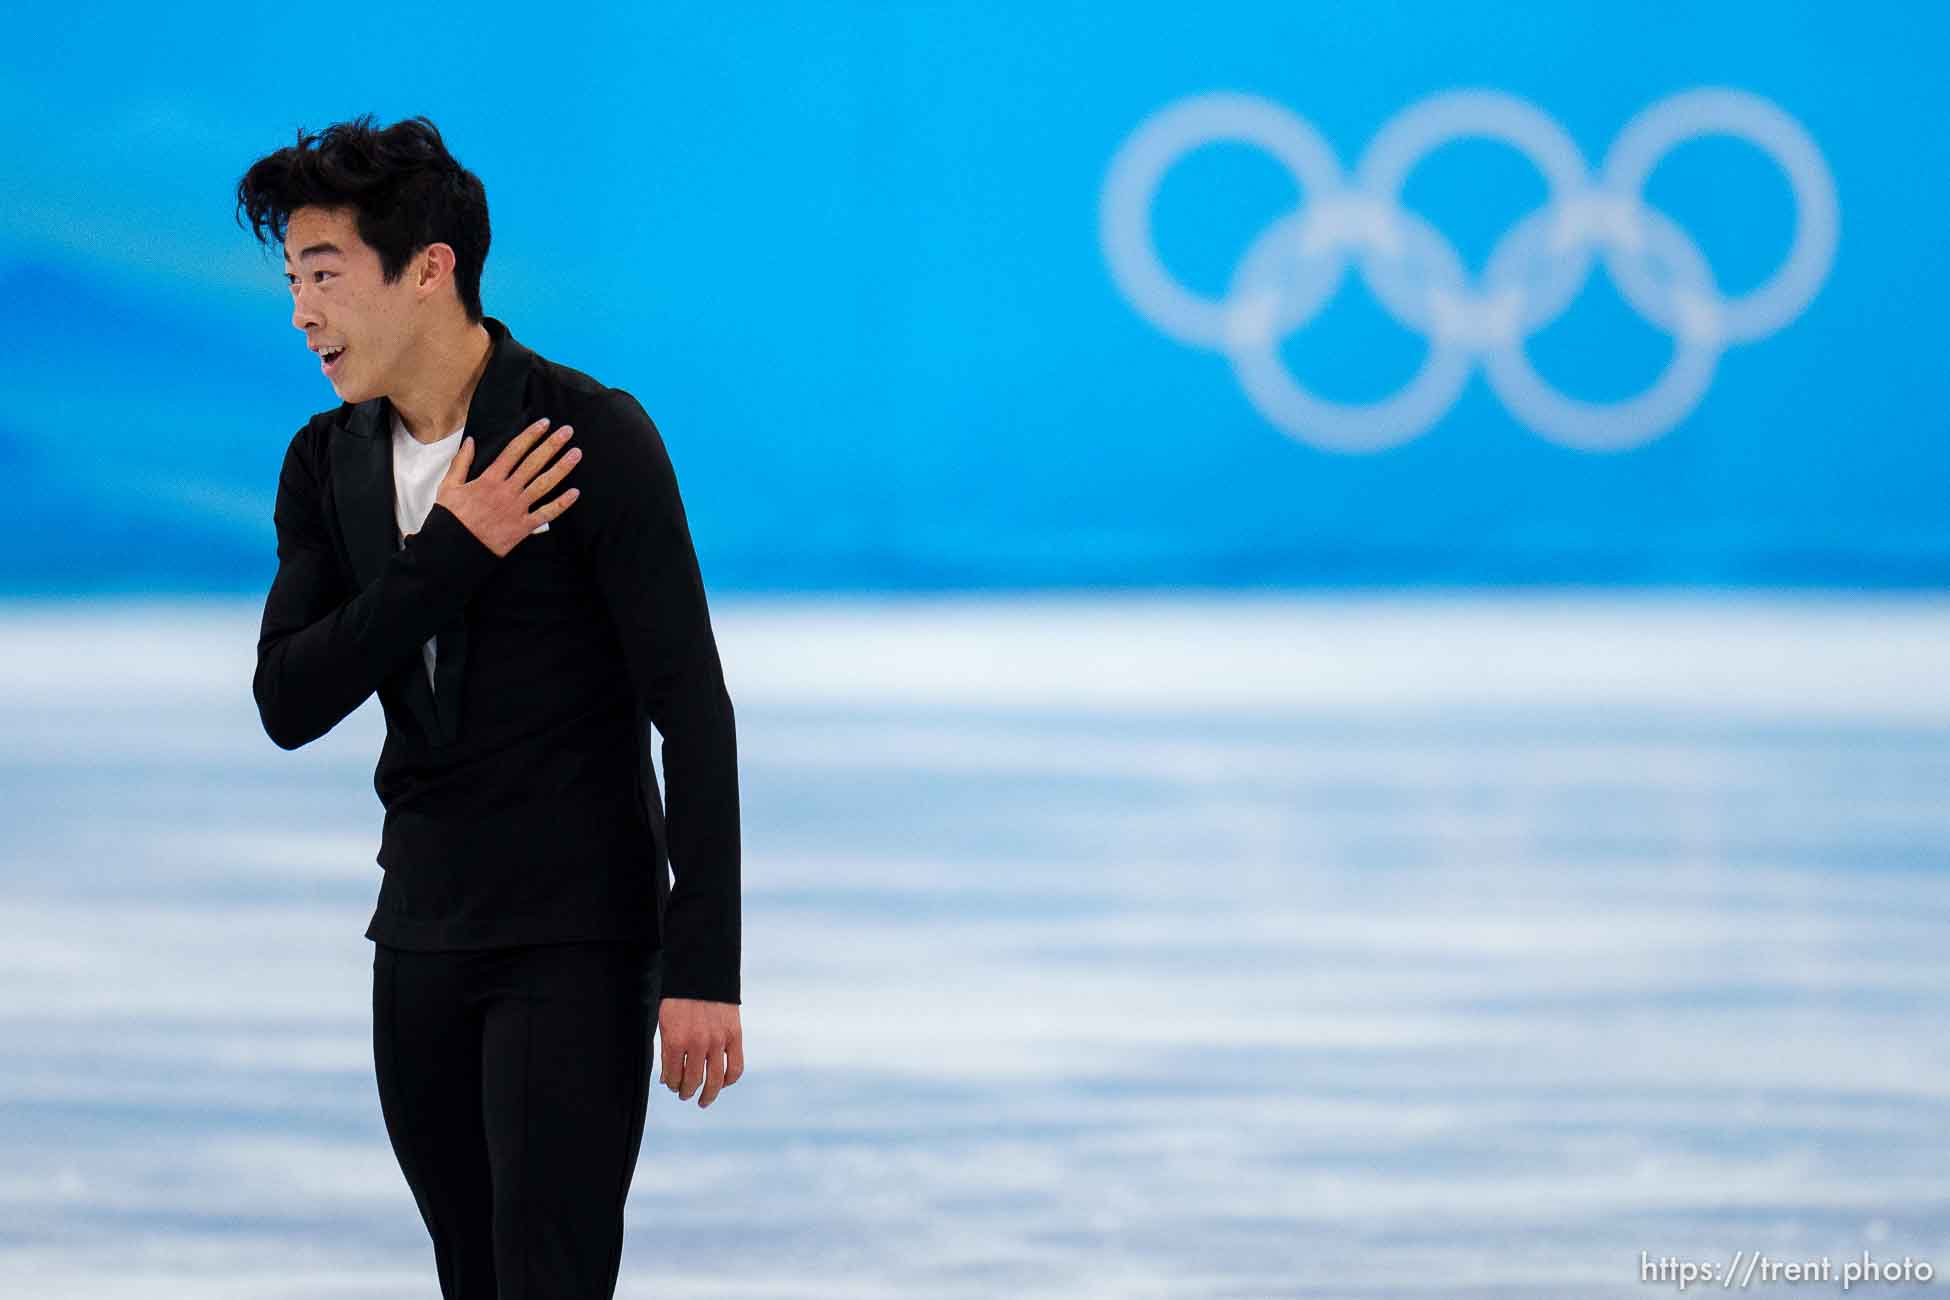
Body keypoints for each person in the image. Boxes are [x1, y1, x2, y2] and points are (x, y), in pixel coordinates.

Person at [234, 113, 743, 1300]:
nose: (303, 312)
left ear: (428, 269)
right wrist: (449, 553)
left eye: (325, 275)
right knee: (471, 1276)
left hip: (575, 938)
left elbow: (694, 710)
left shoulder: (587, 437)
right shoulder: (328, 464)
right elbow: (288, 698)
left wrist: (702, 964)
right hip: (417, 937)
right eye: (293, 280)